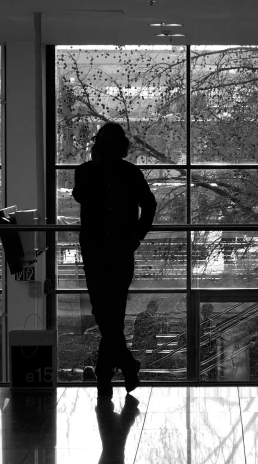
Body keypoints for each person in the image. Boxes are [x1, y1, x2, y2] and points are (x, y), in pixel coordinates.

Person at [73, 122, 156, 396]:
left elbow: (150, 205)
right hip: (102, 255)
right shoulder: (86, 173)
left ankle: (105, 379)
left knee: (111, 318)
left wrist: (136, 236)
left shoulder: (130, 174)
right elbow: (80, 195)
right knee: (107, 316)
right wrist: (136, 236)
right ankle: (125, 367)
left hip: (115, 255)